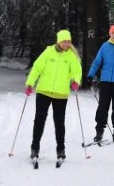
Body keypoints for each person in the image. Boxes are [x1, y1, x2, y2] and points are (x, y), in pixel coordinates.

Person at [25, 29, 83, 163]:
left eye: (68, 42)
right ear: (59, 41)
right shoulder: (48, 52)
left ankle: (61, 149)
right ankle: (35, 148)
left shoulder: (71, 56)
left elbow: (77, 71)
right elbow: (36, 68)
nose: (66, 44)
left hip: (61, 94)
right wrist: (30, 83)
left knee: (59, 122)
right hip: (43, 91)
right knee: (39, 120)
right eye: (64, 41)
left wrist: (75, 81)